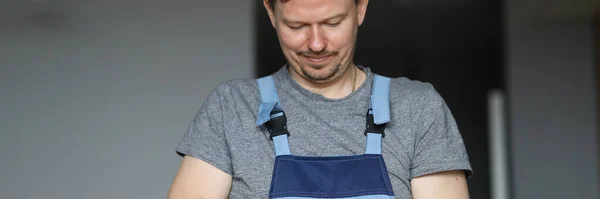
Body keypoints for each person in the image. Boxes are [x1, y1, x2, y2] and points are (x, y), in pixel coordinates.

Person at [168, 0, 473, 198]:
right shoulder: (231, 107)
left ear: (361, 8)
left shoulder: (418, 108)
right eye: (296, 26)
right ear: (271, 14)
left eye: (332, 23)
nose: (316, 44)